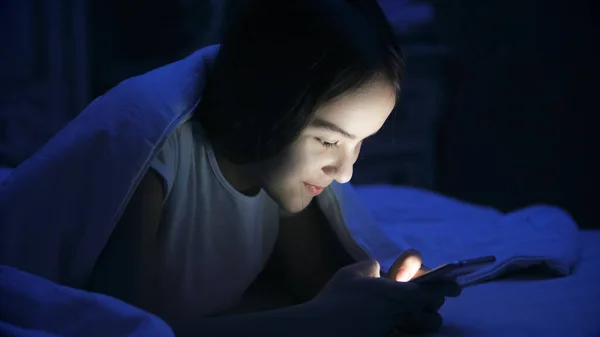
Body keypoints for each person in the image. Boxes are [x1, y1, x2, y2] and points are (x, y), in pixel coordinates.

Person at [87, 0, 461, 336]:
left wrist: (390, 300)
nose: (345, 173)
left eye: (359, 142)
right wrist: (319, 321)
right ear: (267, 107)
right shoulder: (155, 158)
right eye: (329, 142)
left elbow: (318, 287)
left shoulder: (278, 181)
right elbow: (121, 330)